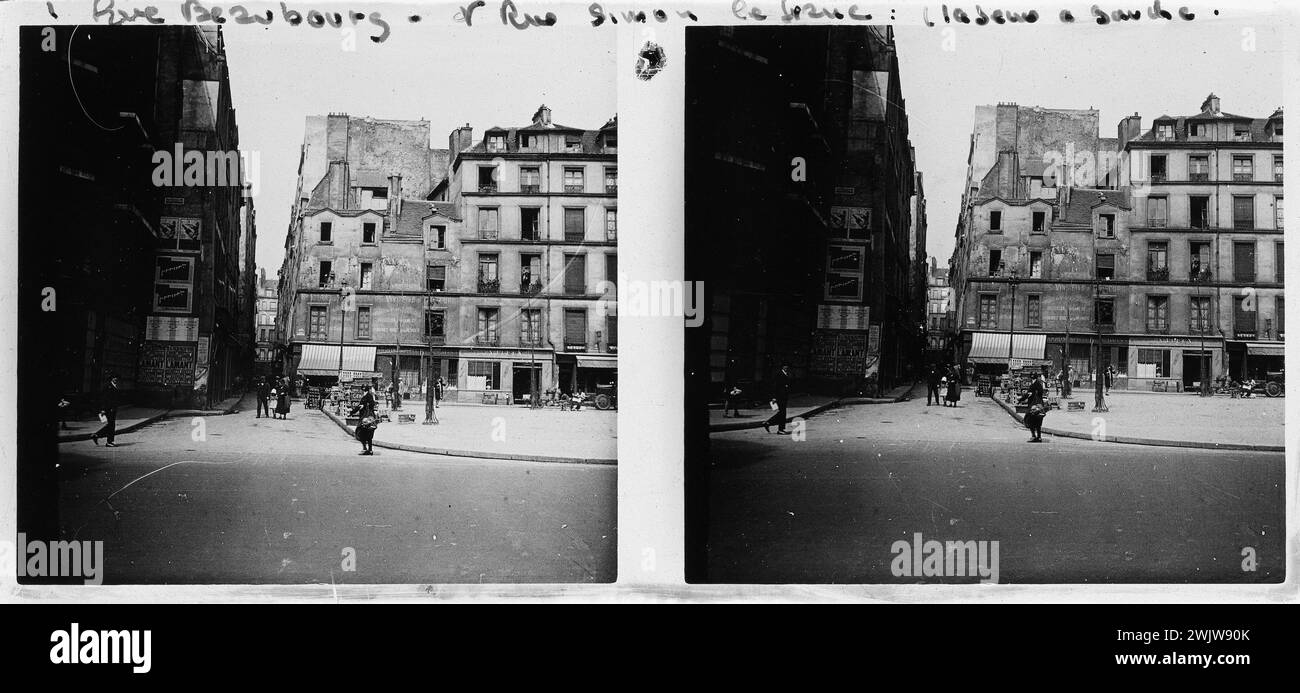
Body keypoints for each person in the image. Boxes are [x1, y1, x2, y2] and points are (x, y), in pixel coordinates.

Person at [92, 376, 121, 447]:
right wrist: (103, 409)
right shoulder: (107, 386)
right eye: (114, 378)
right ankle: (108, 441)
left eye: (116, 378)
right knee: (111, 425)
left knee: (112, 425)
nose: (115, 379)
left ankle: (99, 436)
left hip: (113, 409)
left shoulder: (115, 386)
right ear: (111, 379)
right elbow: (104, 399)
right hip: (108, 409)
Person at [764, 364, 792, 435]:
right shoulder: (779, 374)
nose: (786, 367)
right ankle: (780, 429)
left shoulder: (787, 374)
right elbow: (775, 386)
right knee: (782, 413)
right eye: (785, 366)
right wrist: (774, 397)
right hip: (779, 397)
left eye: (787, 366)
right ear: (782, 367)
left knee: (782, 413)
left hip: (784, 397)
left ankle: (768, 423)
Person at [350, 389, 379, 455]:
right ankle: (370, 450)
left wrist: (351, 413)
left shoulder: (364, 399)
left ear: (364, 391)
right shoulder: (371, 398)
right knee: (370, 436)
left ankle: (364, 448)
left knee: (359, 433)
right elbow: (374, 407)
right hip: (371, 419)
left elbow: (358, 407)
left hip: (364, 419)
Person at [1024, 373, 1048, 442]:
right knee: (1038, 422)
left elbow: (1028, 395)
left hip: (1033, 406)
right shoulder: (1040, 385)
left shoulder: (1032, 386)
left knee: (1030, 420)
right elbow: (1041, 394)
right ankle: (1039, 437)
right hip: (1040, 406)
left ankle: (1034, 436)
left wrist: (1021, 399)